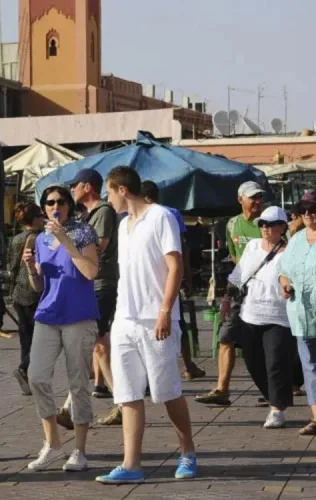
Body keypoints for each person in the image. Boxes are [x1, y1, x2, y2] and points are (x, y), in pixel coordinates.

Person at [96, 167, 197, 484]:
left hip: (156, 319)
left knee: (168, 391)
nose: (108, 199)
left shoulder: (161, 216)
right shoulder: (123, 224)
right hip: (125, 319)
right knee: (127, 394)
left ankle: (187, 453)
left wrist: (165, 311)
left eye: (109, 192)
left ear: (122, 190)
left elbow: (175, 266)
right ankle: (131, 464)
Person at [22, 185, 99, 472]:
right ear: (43, 207)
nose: (56, 206)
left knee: (78, 382)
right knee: (36, 377)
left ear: (69, 205)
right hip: (48, 314)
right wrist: (31, 268)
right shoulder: (40, 238)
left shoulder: (83, 232)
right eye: (50, 202)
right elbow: (39, 286)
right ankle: (52, 443)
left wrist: (65, 240)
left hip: (79, 315)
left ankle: (80, 450)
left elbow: (91, 271)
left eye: (61, 202)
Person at [57, 169, 119, 427]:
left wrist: (68, 246)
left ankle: (118, 402)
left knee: (94, 344)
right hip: (90, 285)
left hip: (101, 284)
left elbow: (97, 247)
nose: (72, 190)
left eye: (76, 185)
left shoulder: (102, 212)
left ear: (88, 187)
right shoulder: (86, 215)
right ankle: (119, 402)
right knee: (96, 345)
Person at [196, 180, 265, 406]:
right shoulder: (232, 224)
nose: (257, 201)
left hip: (265, 290)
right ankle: (222, 389)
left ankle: (274, 390)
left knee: (263, 342)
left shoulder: (268, 222)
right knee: (225, 337)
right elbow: (235, 257)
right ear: (240, 199)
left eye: (260, 197)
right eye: (252, 197)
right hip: (240, 288)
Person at [224, 206, 295, 429]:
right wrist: (225, 300)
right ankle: (275, 397)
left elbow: (293, 278)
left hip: (278, 316)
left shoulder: (290, 251)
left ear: (282, 227)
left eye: (271, 224)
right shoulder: (252, 246)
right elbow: (237, 276)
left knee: (275, 363)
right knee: (253, 363)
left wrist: (290, 287)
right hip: (250, 314)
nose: (265, 228)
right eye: (262, 224)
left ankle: (277, 409)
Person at [278, 191, 316, 435]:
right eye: (303, 211)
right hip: (301, 312)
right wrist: (284, 283)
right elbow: (283, 270)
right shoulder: (297, 238)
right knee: (312, 364)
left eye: (313, 210)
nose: (308, 215)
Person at [141, 180, 204, 381]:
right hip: (169, 276)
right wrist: (187, 275)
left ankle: (156, 369)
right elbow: (182, 247)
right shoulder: (171, 213)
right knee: (177, 321)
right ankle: (187, 365)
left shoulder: (134, 216)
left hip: (147, 279)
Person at [7, 202, 45, 395]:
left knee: (25, 336)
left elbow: (10, 265)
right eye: (41, 216)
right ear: (36, 218)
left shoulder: (15, 239)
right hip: (34, 291)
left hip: (18, 292)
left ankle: (27, 375)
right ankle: (24, 368)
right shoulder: (39, 238)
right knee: (41, 338)